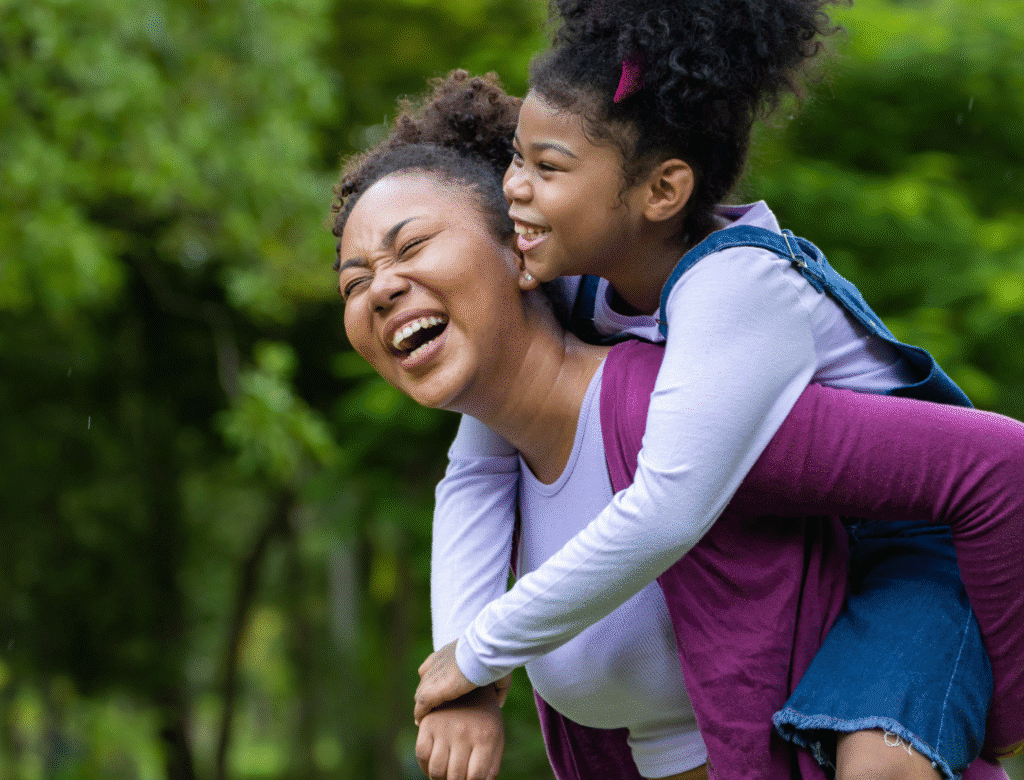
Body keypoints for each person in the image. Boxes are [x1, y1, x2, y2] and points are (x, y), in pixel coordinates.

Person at [410, 0, 1022, 779]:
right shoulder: (582, 284)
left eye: (548, 167)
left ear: (663, 190)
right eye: (515, 161)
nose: (515, 192)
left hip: (915, 561)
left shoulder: (735, 288)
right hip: (807, 557)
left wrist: (484, 648)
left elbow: (666, 509)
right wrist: (458, 665)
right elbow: (474, 470)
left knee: (876, 765)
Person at [329, 107, 1024, 780]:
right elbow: (468, 480)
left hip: (920, 570)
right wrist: (465, 680)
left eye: (413, 246)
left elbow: (992, 466)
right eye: (354, 282)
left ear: (521, 251)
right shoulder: (499, 460)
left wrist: (1008, 712)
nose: (382, 289)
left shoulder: (695, 399)